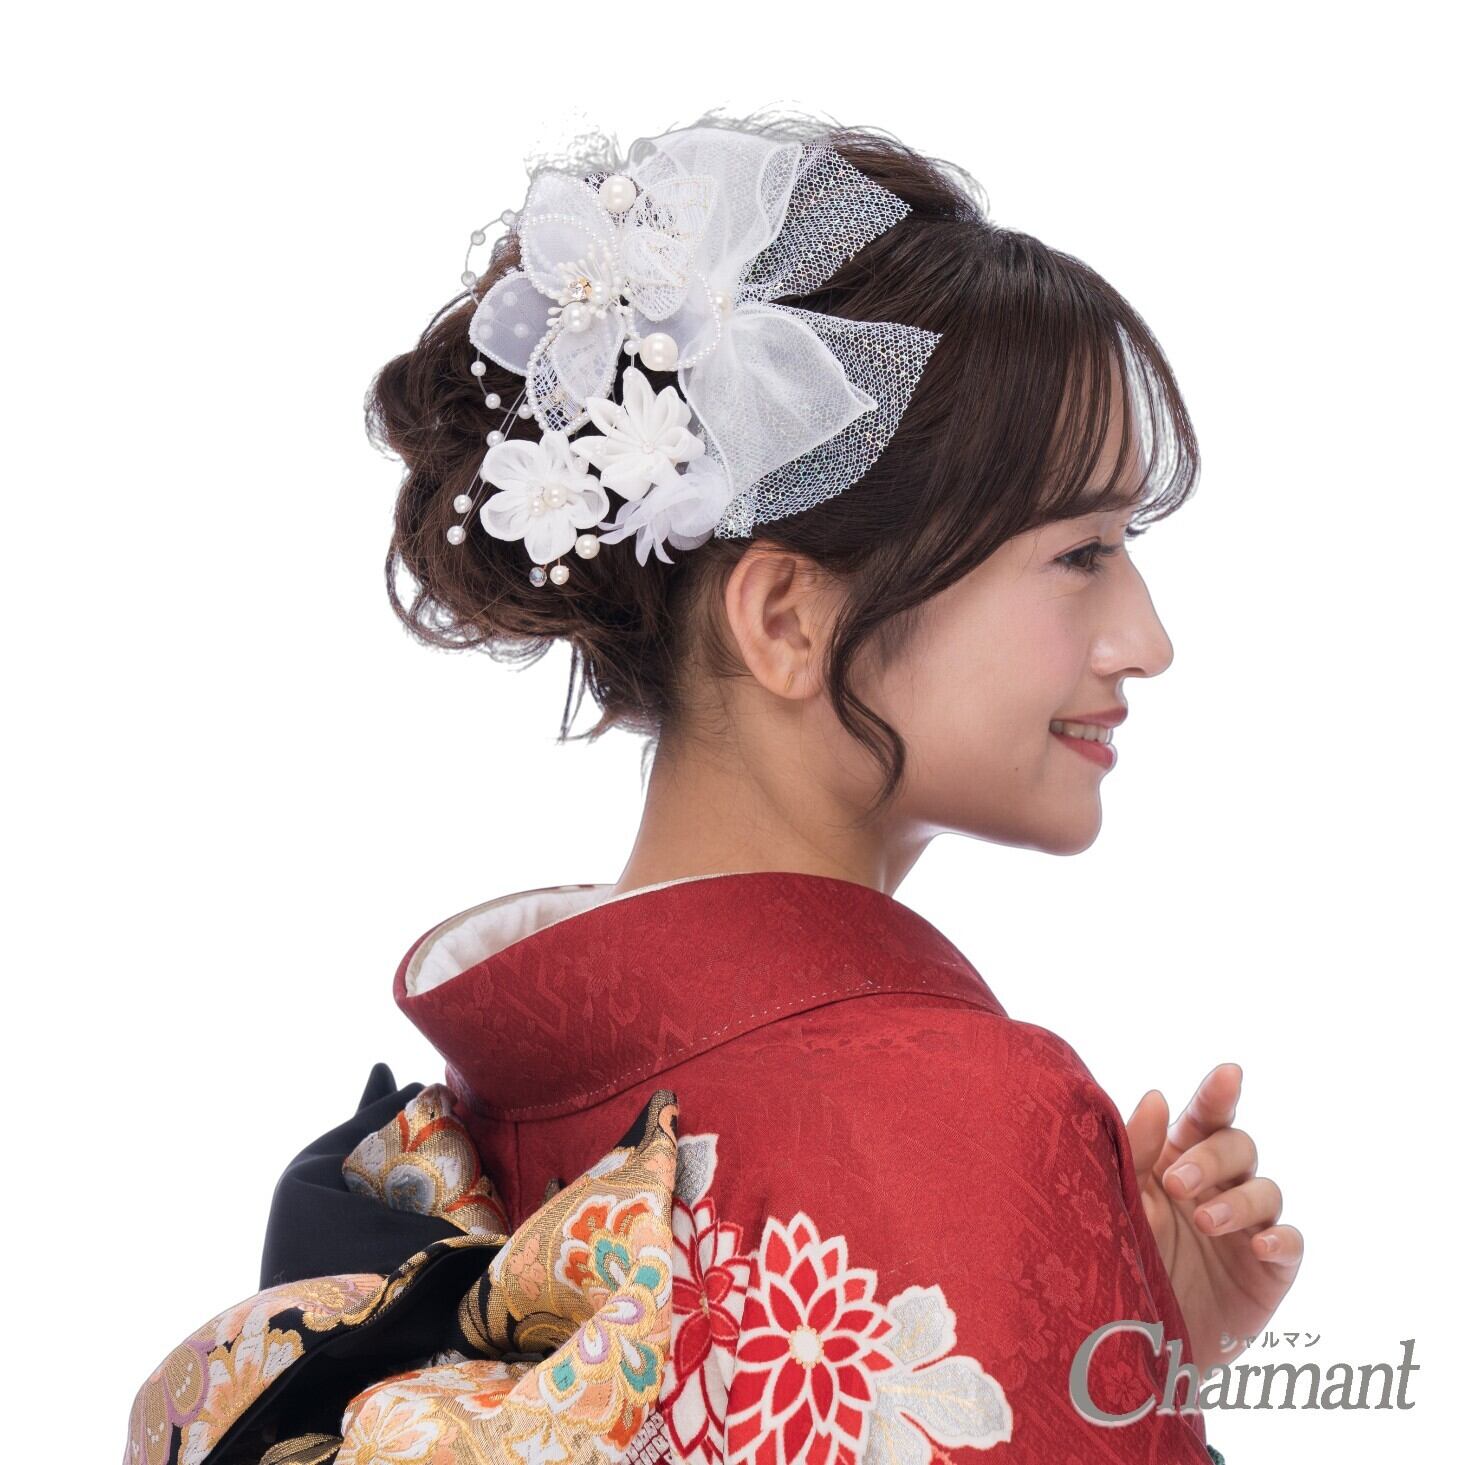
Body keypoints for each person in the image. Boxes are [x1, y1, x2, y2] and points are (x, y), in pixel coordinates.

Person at [123, 110, 1299, 1465]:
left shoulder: (483, 1115)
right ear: (788, 617)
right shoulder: (971, 1114)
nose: (1146, 639)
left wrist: (1119, 1333)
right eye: (1081, 553)